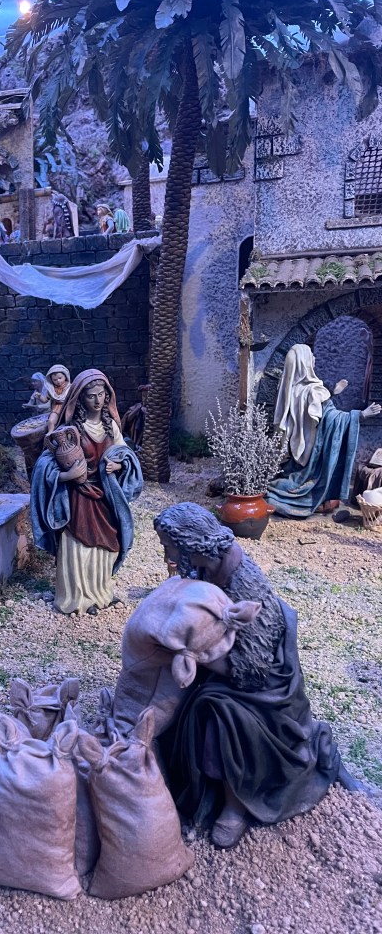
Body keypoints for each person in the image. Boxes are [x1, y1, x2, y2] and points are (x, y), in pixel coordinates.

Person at [152, 502, 361, 849]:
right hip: (225, 660)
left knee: (221, 712)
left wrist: (194, 655)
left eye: (169, 546)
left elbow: (251, 672)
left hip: (264, 686)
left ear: (190, 543)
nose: (166, 554)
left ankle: (235, 805)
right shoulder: (205, 567)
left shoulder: (246, 586)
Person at [31, 369, 143, 615]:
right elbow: (44, 465)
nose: (97, 400)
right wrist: (67, 476)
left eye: (101, 394)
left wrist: (119, 465)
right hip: (78, 496)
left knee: (107, 543)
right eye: (91, 396)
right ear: (80, 398)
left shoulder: (111, 427)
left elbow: (125, 454)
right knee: (78, 543)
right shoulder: (71, 430)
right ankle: (77, 597)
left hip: (104, 494)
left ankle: (100, 593)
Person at [266, 343, 381, 517]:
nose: (314, 358)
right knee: (306, 483)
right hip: (313, 453)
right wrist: (360, 415)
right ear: (304, 362)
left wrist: (331, 392)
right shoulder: (314, 391)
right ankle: (312, 499)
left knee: (286, 482)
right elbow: (330, 417)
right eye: (311, 355)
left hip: (297, 452)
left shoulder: (290, 389)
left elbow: (312, 412)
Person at [44, 363, 72, 433]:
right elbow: (45, 400)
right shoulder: (52, 390)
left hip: (68, 407)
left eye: (60, 378)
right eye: (55, 380)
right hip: (56, 409)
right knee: (51, 421)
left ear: (65, 376)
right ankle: (50, 433)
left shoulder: (70, 387)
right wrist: (39, 397)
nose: (58, 381)